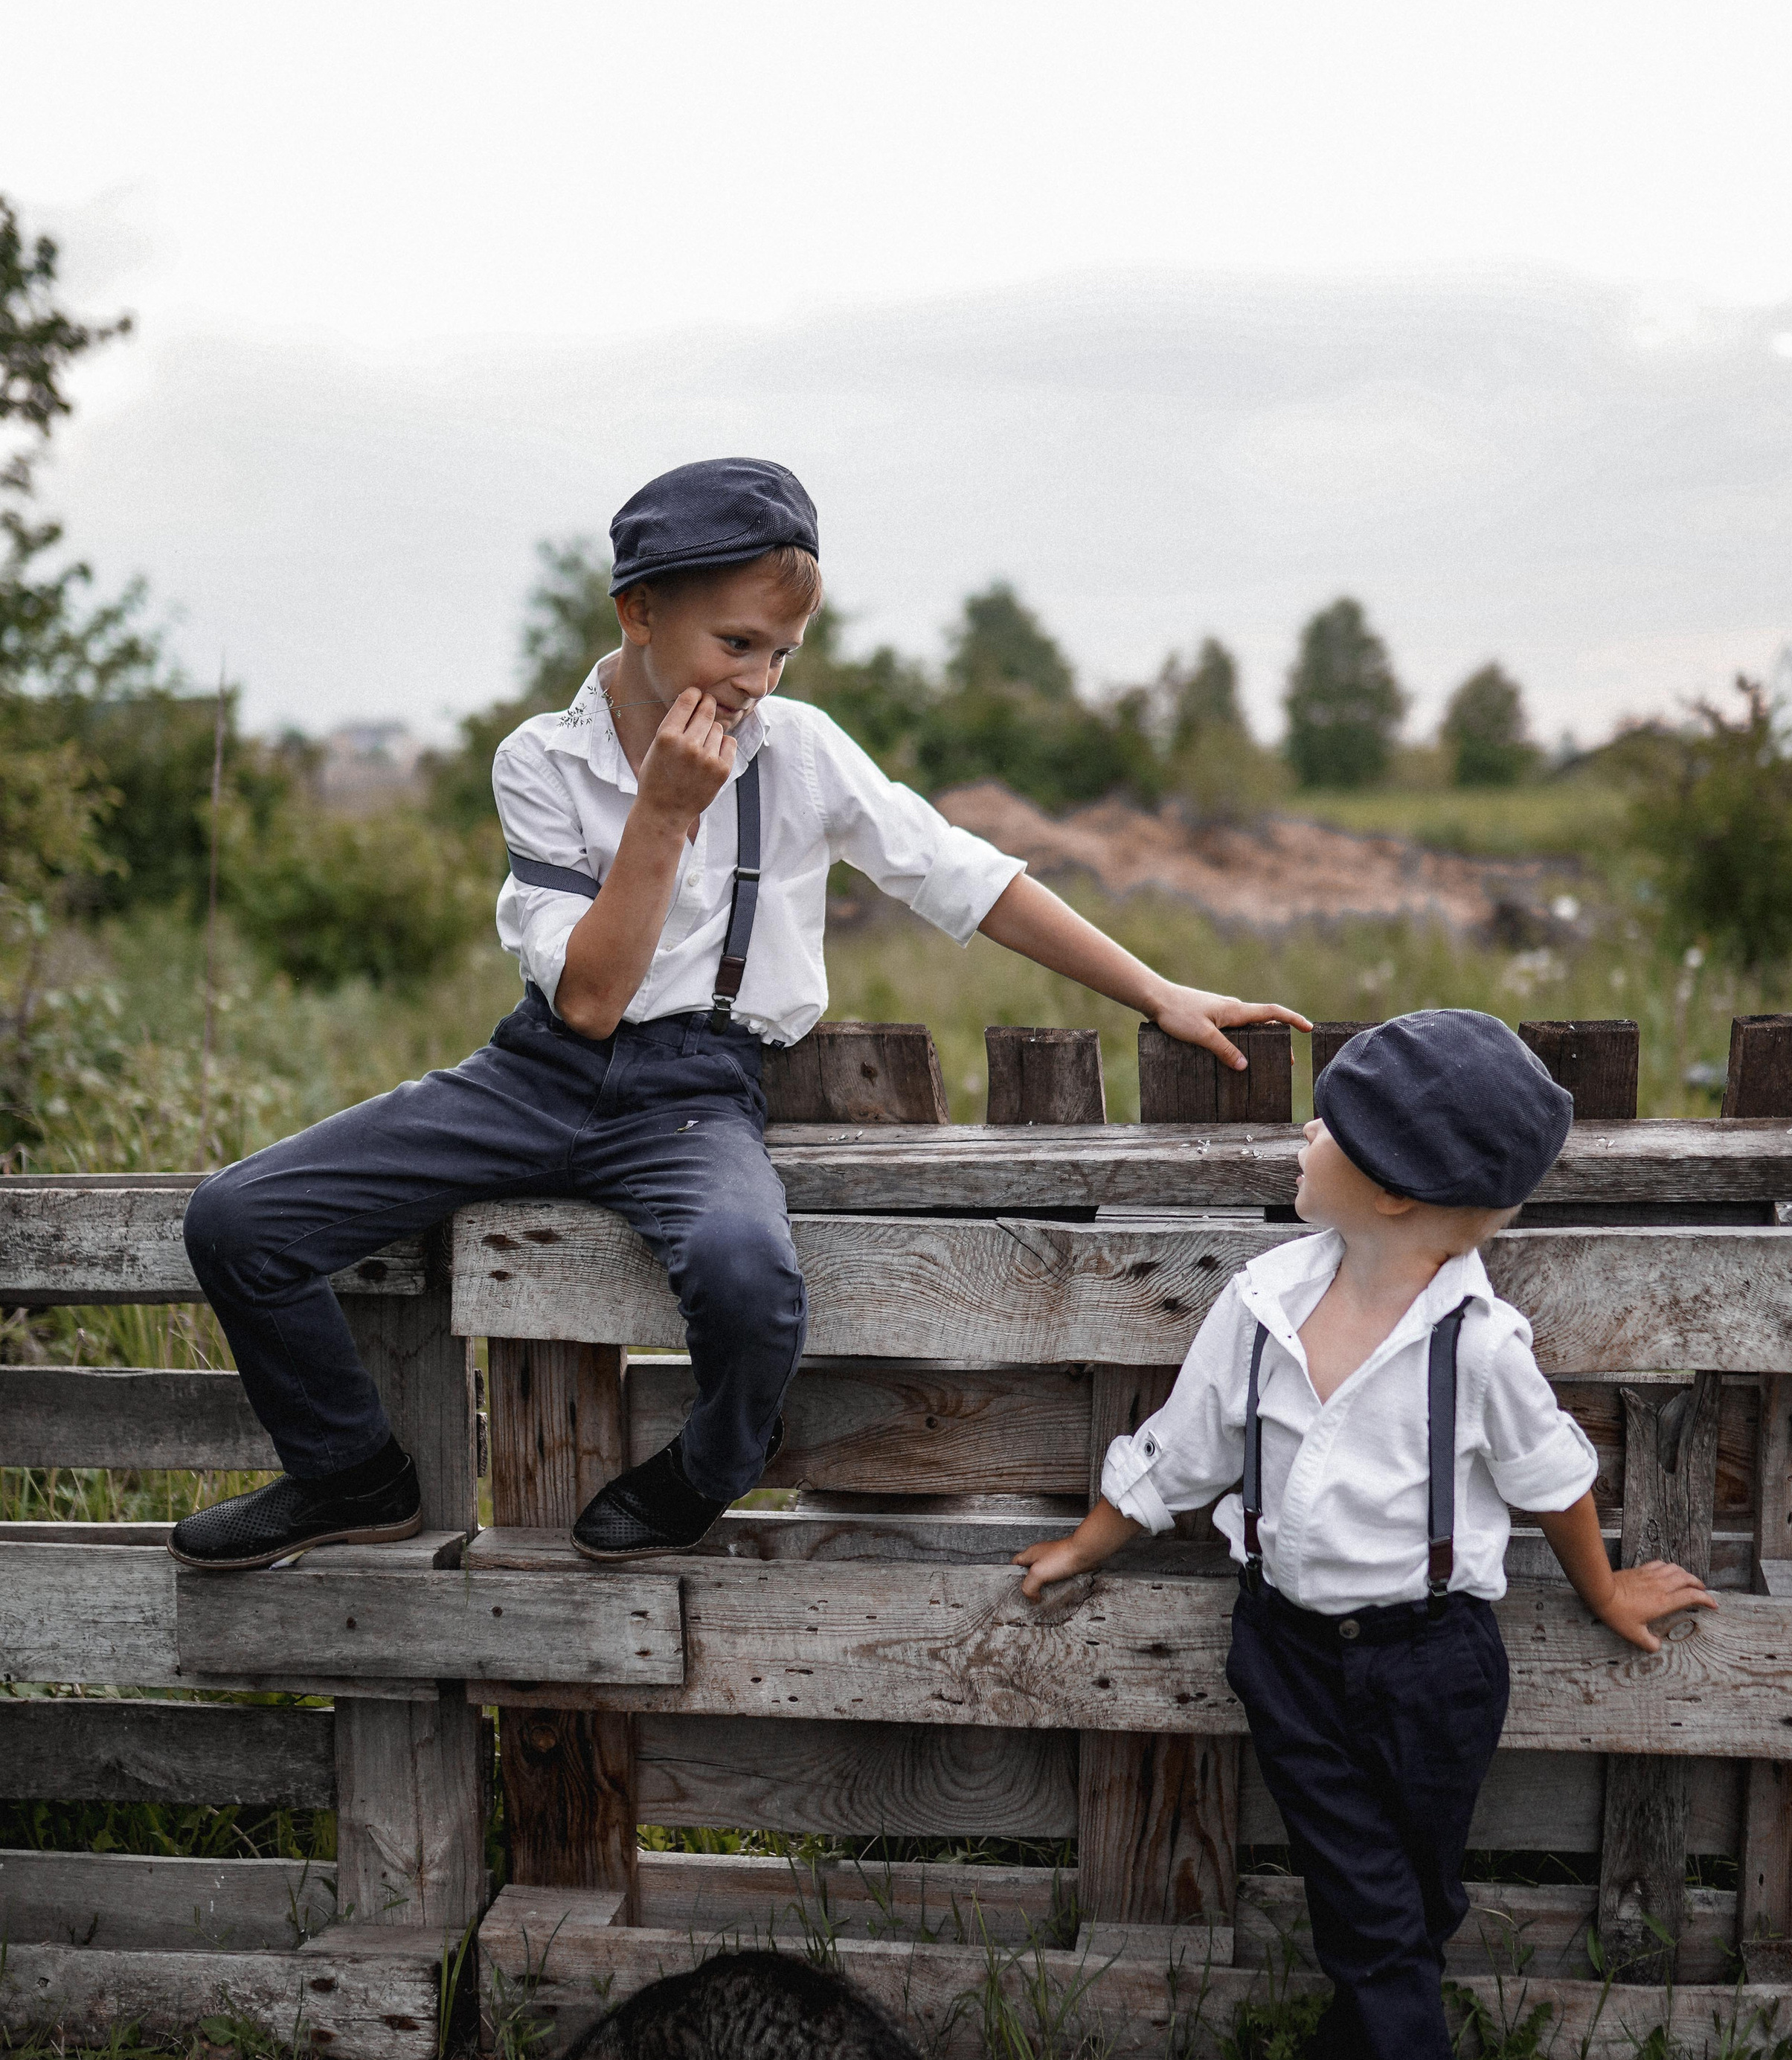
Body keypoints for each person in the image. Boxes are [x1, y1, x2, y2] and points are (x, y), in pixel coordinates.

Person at [171, 455, 1306, 1573]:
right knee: (238, 1220)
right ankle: (351, 1473)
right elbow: (590, 999)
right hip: (537, 1075)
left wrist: (1159, 990)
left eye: (780, 653)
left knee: (747, 1280)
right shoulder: (542, 760)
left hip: (694, 1092)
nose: (760, 680)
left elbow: (962, 877)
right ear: (639, 612)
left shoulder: (798, 751)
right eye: (735, 644)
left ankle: (713, 1463)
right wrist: (663, 812)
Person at [1014, 1007, 1716, 2060]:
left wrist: (1605, 1589)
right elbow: (1186, 1446)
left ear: (1393, 1190)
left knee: (1410, 1904)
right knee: (1384, 1907)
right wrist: (1089, 1543)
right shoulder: (1263, 1303)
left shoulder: (1481, 1344)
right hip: (1284, 1653)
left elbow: (1553, 1476)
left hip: (1437, 1663)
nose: (1304, 1133)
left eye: (1327, 1126)